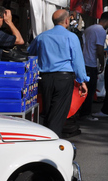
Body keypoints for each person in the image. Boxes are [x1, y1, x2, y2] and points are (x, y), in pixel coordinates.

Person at [28, 9, 89, 137]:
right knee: (59, 112)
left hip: (45, 78)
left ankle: (48, 137)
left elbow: (30, 53)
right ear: (67, 21)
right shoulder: (71, 37)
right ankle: (52, 140)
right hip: (64, 78)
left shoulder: (42, 36)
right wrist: (82, 80)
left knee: (48, 111)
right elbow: (77, 61)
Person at [78, 12, 108, 121]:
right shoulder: (101, 31)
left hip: (84, 61)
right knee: (90, 90)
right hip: (91, 63)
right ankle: (85, 113)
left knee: (83, 89)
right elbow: (100, 49)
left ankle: (81, 111)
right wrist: (102, 63)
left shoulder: (89, 28)